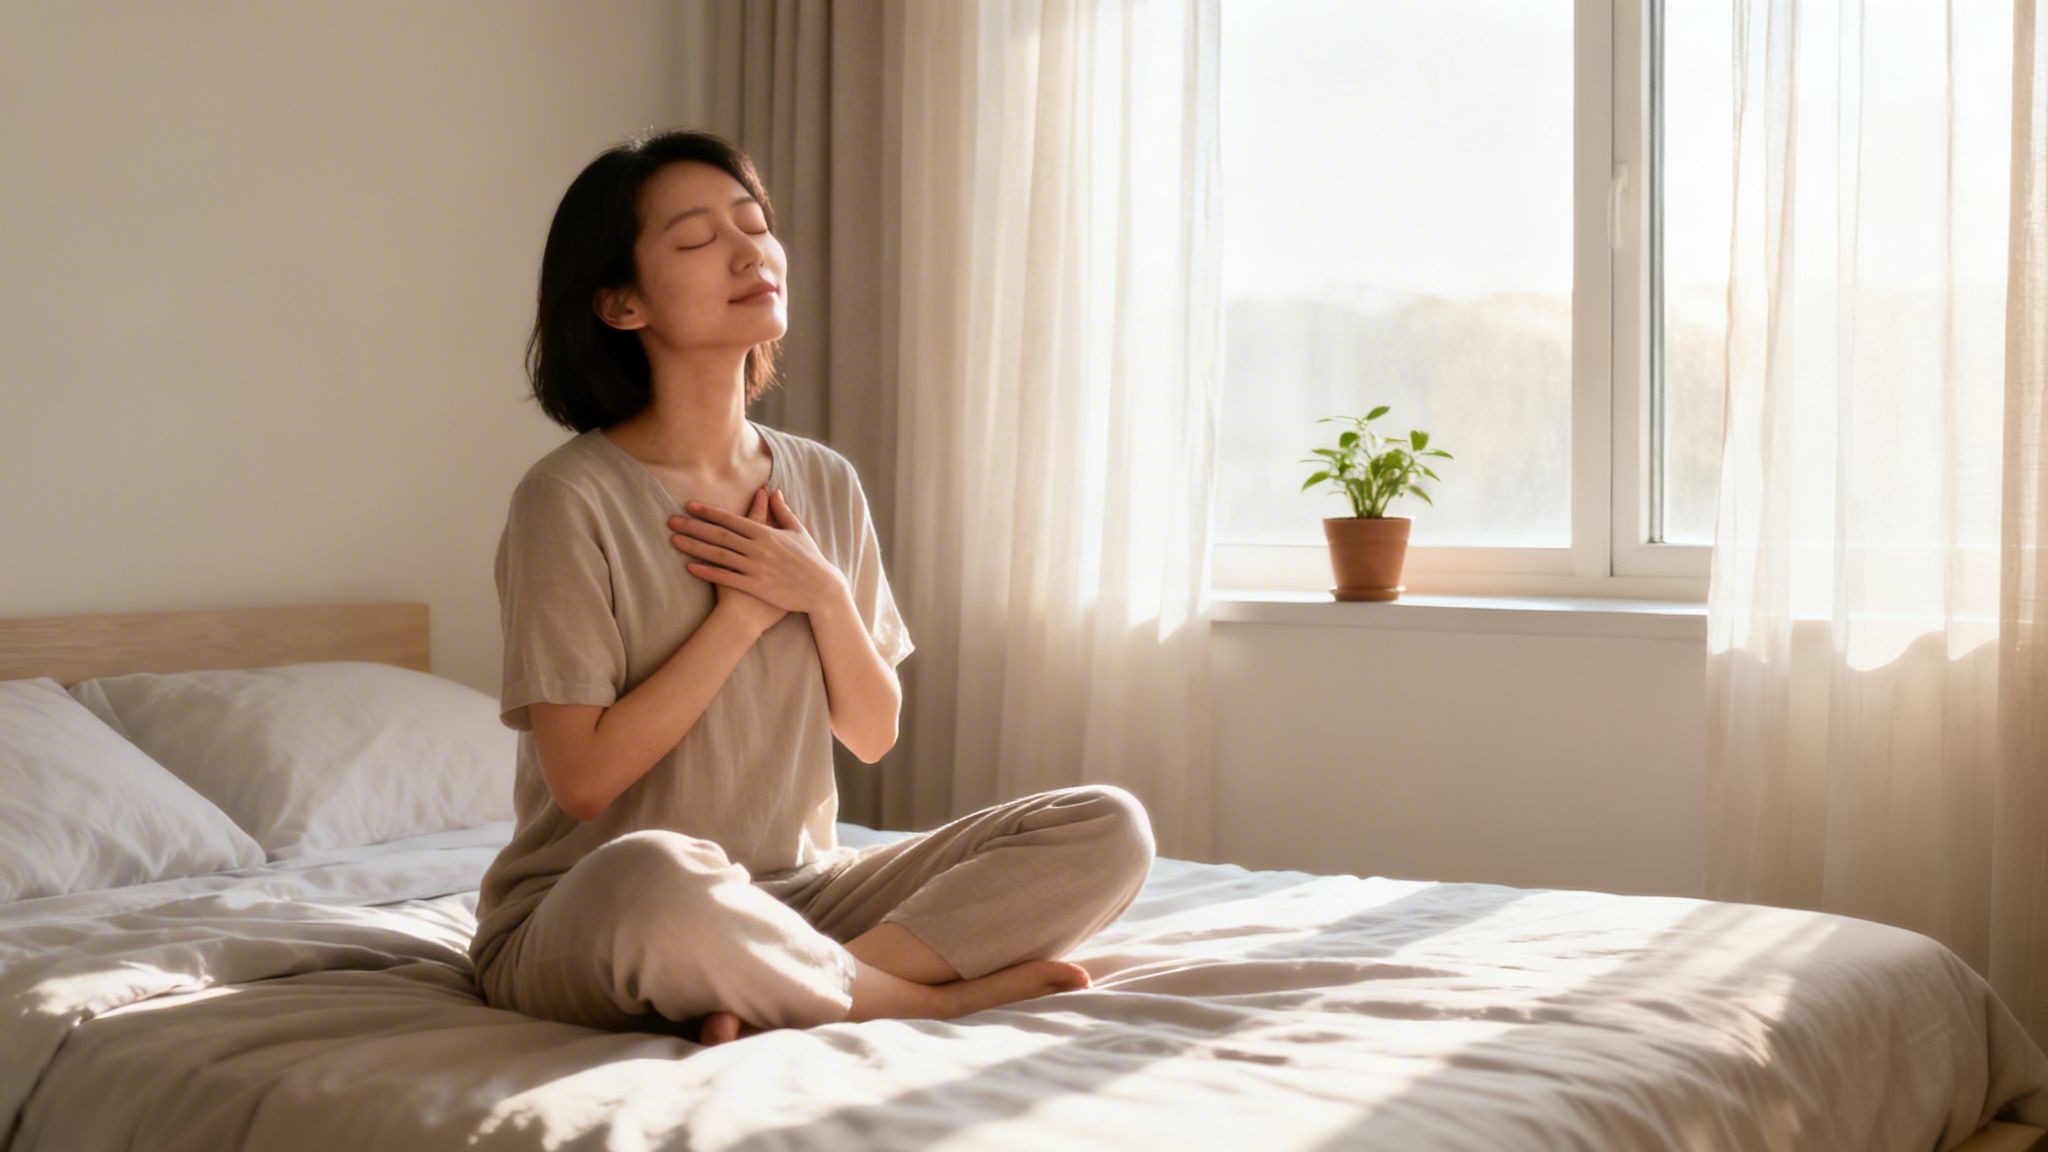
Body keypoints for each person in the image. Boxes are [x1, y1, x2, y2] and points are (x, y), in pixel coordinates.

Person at [467, 128, 1156, 1047]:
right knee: (659, 875)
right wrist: (744, 615)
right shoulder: (567, 500)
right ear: (623, 304)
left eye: (753, 224)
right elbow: (585, 783)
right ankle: (918, 998)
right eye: (698, 239)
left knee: (1108, 826)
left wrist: (823, 594)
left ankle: (796, 980)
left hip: (804, 894)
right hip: (596, 908)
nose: (752, 250)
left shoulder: (821, 481)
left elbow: (873, 733)